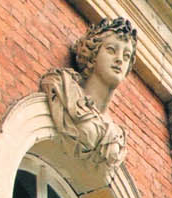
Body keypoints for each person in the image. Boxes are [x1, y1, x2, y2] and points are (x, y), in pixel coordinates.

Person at [39, 17, 137, 169]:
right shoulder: (64, 89)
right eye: (111, 50)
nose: (119, 60)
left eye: (126, 56)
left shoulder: (116, 135)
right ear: (93, 55)